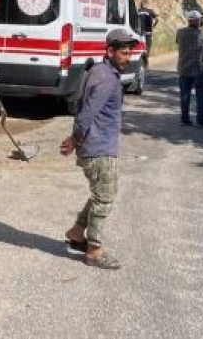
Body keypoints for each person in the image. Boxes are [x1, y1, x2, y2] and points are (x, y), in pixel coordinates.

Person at [60, 28, 138, 270]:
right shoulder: (105, 78)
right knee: (105, 197)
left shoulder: (102, 71)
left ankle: (76, 232)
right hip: (98, 149)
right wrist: (74, 139)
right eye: (123, 53)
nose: (128, 58)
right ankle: (94, 250)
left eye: (129, 53)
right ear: (110, 51)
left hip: (98, 145)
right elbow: (86, 113)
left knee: (100, 194)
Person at [175, 10, 203, 127]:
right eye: (199, 19)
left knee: (184, 96)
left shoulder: (180, 32)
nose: (200, 21)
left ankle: (184, 119)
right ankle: (200, 120)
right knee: (201, 96)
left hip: (184, 68)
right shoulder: (201, 33)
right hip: (199, 69)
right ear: (196, 21)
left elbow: (177, 42)